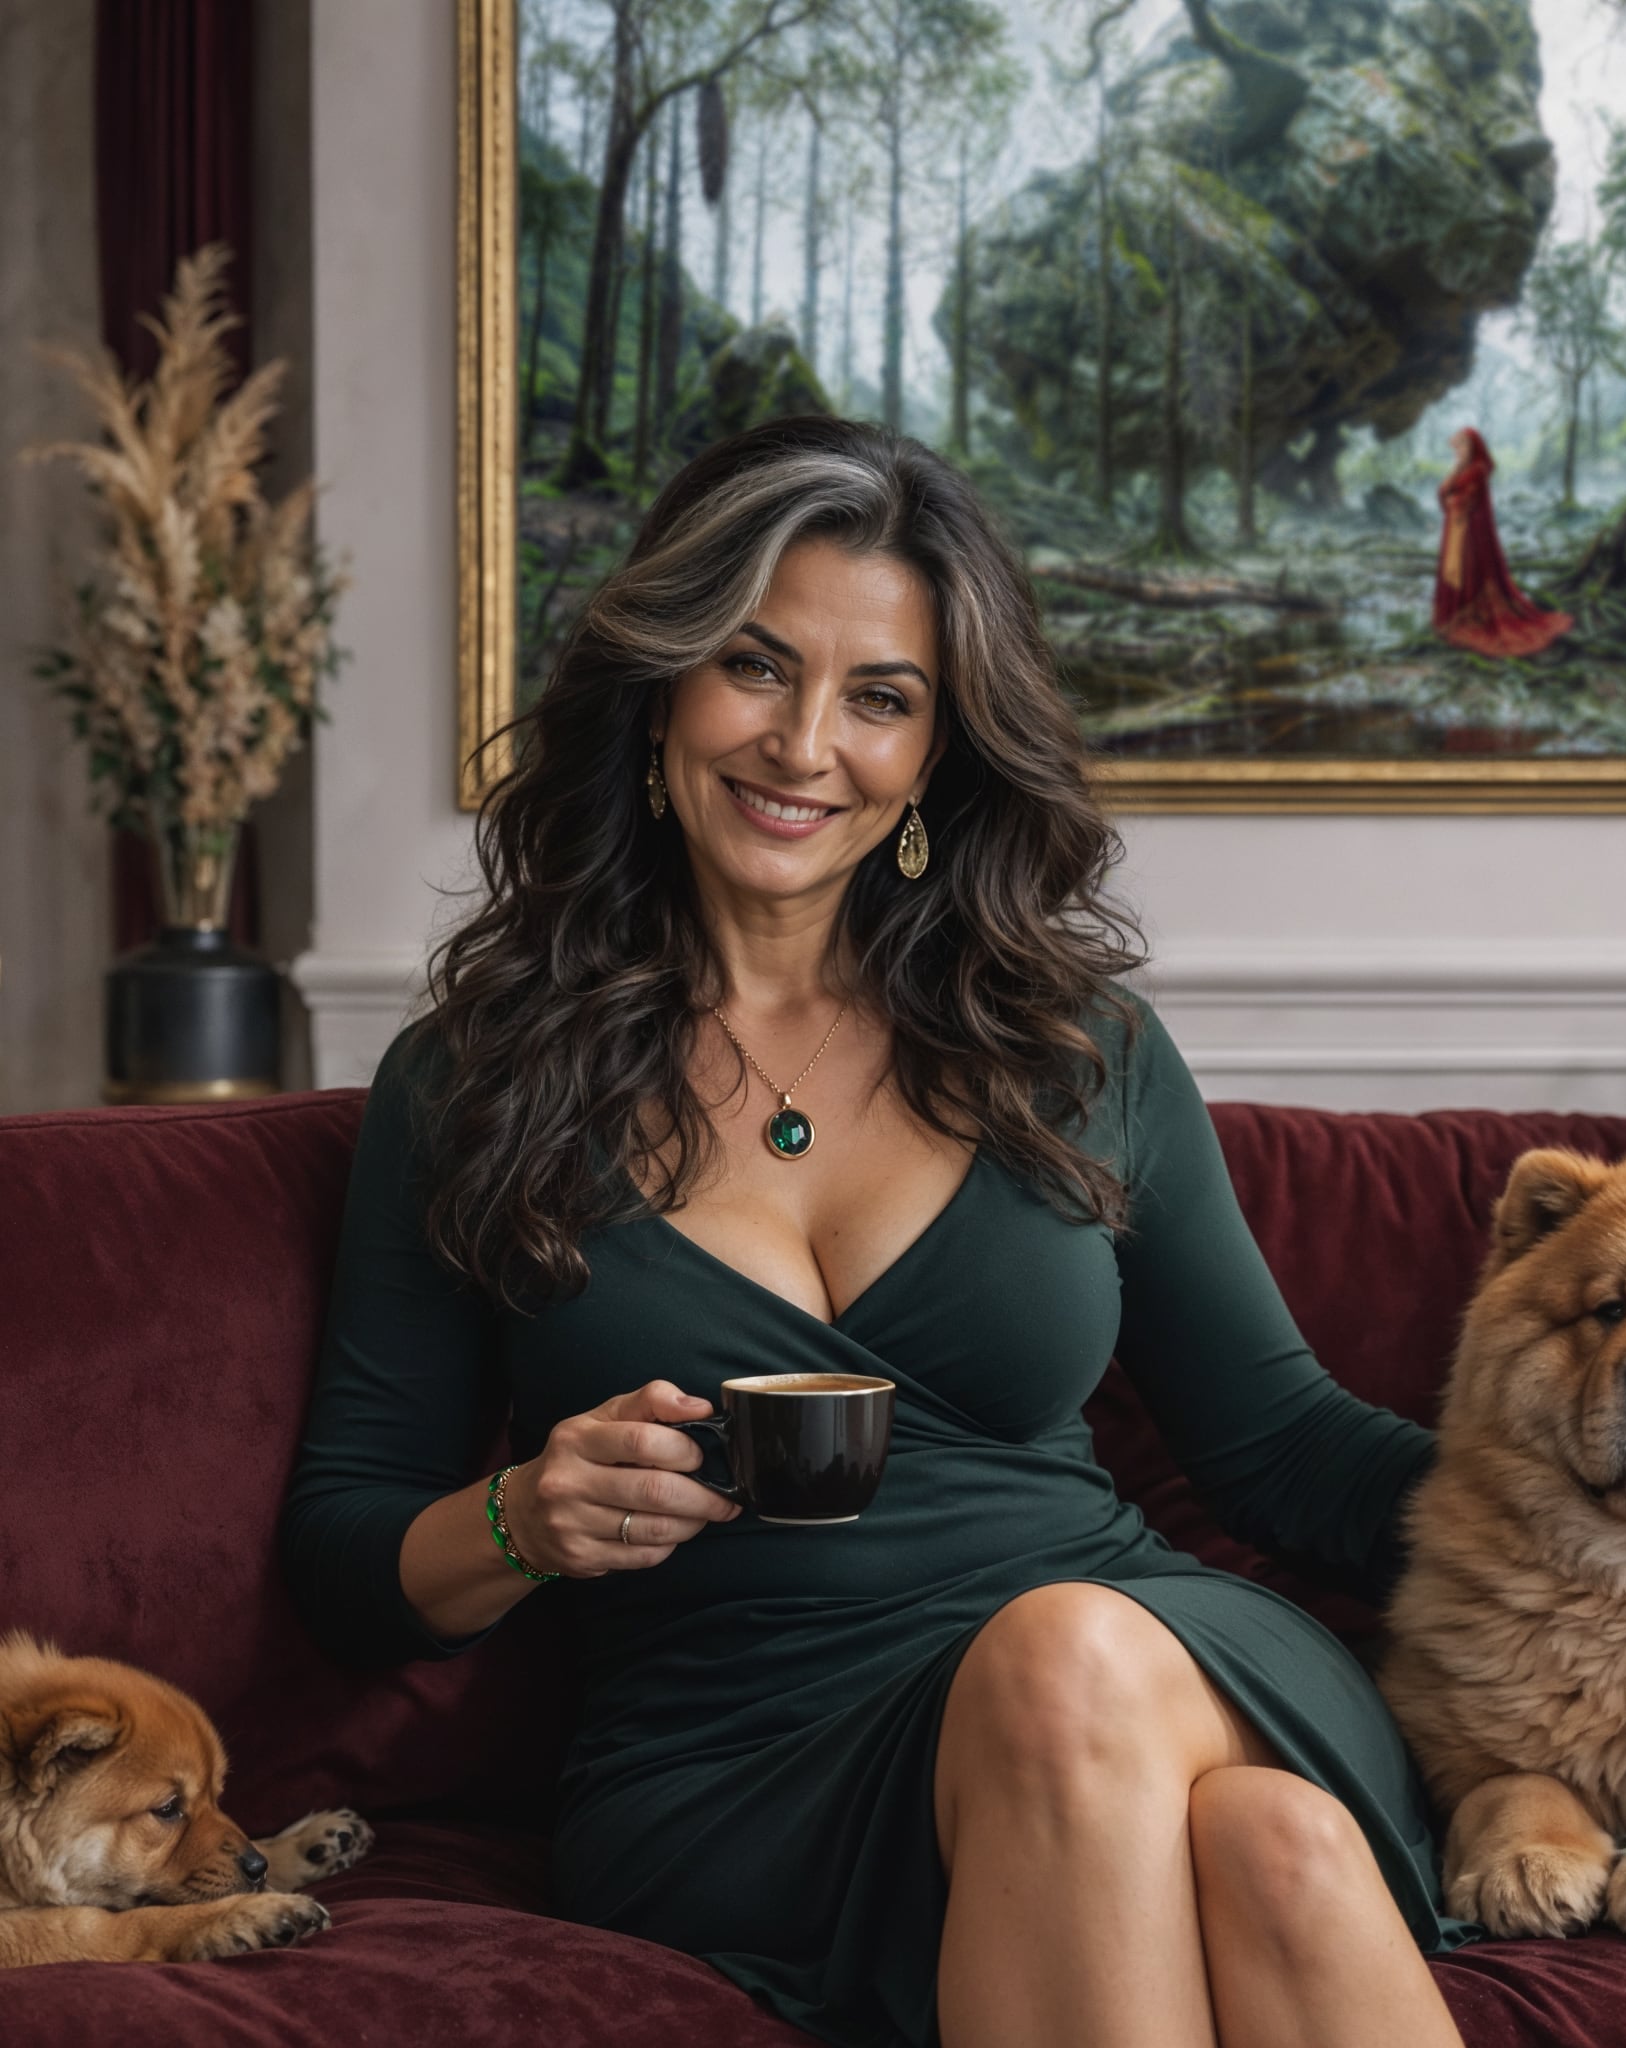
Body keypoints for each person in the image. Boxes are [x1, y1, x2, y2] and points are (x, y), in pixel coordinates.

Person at [283, 415, 1471, 2048]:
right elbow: (347, 1552)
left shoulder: (1074, 1047)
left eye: (881, 697)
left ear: (937, 752)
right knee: (1270, 1845)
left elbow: (1278, 1448)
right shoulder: (477, 1079)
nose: (802, 743)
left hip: (1132, 1651)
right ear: (660, 686)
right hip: (739, 1757)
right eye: (755, 668)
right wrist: (518, 1518)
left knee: (1071, 1661)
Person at [1432, 426, 1573, 657]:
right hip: (1458, 528)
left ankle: (1470, 615)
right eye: (1456, 447)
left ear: (1474, 447)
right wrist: (1452, 485)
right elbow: (1442, 494)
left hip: (1471, 533)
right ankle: (1457, 614)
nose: (1458, 451)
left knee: (1469, 570)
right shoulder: (1463, 468)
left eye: (1463, 446)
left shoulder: (1478, 469)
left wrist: (1451, 496)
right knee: (1457, 570)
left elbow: (1460, 501)